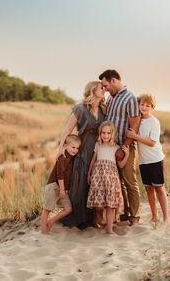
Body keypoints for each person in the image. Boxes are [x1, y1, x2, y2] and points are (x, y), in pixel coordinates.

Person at [56, 81, 105, 229]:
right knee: (80, 184)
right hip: (83, 150)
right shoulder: (80, 108)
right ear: (92, 90)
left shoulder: (104, 109)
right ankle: (76, 221)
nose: (104, 90)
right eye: (101, 88)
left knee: (93, 185)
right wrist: (60, 148)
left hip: (97, 151)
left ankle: (91, 219)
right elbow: (67, 130)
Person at [99, 69, 140, 226]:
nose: (105, 88)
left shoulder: (130, 98)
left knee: (130, 182)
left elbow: (135, 123)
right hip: (110, 148)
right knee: (119, 182)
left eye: (106, 85)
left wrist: (125, 147)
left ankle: (134, 217)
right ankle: (125, 214)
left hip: (125, 146)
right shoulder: (111, 98)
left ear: (114, 80)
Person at [126, 93, 169, 226]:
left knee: (159, 188)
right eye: (142, 104)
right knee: (149, 189)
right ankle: (154, 216)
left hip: (155, 159)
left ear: (152, 107)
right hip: (143, 161)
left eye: (147, 105)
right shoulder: (137, 120)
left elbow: (152, 142)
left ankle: (166, 218)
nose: (144, 107)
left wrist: (135, 136)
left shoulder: (154, 122)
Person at [87, 121, 129, 234]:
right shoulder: (98, 145)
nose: (105, 135)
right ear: (100, 133)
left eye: (108, 133)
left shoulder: (116, 147)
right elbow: (93, 160)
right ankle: (97, 220)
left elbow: (120, 165)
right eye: (103, 133)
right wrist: (89, 173)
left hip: (111, 177)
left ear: (112, 134)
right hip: (98, 176)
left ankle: (109, 229)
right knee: (98, 204)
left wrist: (127, 155)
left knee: (110, 204)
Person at [41, 135, 81, 234]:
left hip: (61, 188)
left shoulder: (72, 158)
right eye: (73, 147)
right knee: (47, 210)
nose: (75, 150)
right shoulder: (63, 157)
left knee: (68, 208)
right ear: (65, 146)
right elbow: (60, 175)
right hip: (53, 186)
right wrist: (62, 190)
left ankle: (51, 221)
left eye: (77, 148)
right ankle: (43, 231)